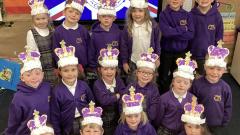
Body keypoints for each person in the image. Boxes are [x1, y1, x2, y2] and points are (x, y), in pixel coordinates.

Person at [50, 40, 95, 135]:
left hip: (85, 120)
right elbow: (55, 115)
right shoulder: (56, 91)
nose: (70, 74)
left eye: (73, 70)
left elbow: (92, 103)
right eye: (66, 71)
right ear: (60, 72)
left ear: (78, 70)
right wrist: (57, 132)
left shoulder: (84, 85)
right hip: (68, 125)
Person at [190, 40, 232, 135]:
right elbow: (192, 101)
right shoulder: (197, 84)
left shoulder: (226, 88)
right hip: (199, 122)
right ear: (205, 67)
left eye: (219, 69)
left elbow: (228, 107)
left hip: (217, 124)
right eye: (211, 68)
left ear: (224, 70)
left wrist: (224, 122)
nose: (215, 72)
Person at [5, 50, 51, 135]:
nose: (34, 77)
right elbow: (13, 122)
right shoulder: (18, 98)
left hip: (47, 131)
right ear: (22, 78)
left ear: (43, 75)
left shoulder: (47, 87)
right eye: (28, 75)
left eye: (37, 73)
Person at [155, 52, 197, 135]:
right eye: (178, 81)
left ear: (190, 85)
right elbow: (158, 117)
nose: (181, 85)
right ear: (173, 81)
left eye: (185, 83)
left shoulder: (192, 99)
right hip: (165, 130)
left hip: (183, 131)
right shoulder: (164, 98)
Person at [120, 0, 161, 84]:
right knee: (132, 83)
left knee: (149, 83)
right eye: (134, 11)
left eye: (140, 11)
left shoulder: (153, 26)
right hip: (133, 61)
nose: (137, 14)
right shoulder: (128, 27)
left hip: (150, 61)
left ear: (145, 12)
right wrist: (124, 62)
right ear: (130, 13)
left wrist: (157, 57)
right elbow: (123, 46)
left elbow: (157, 43)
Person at [158, 0, 194, 93]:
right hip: (166, 53)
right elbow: (166, 33)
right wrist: (182, 29)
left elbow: (190, 35)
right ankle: (163, 97)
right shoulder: (163, 14)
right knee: (164, 77)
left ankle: (175, 97)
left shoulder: (187, 15)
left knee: (178, 76)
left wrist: (172, 31)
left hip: (181, 53)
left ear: (182, 2)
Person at [123, 47, 160, 125]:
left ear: (153, 75)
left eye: (149, 73)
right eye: (143, 72)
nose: (145, 75)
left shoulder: (154, 89)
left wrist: (144, 119)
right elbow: (123, 104)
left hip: (147, 122)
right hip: (130, 120)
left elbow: (154, 107)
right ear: (137, 73)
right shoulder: (130, 87)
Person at [93, 46, 125, 135]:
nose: (109, 72)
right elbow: (104, 100)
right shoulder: (97, 84)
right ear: (100, 70)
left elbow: (124, 92)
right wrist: (117, 95)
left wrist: (117, 96)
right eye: (105, 69)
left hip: (117, 116)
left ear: (116, 70)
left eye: (112, 69)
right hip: (104, 118)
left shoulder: (118, 80)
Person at [25, 0, 57, 87]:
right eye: (37, 19)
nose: (41, 21)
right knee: (45, 88)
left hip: (54, 67)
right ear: (33, 20)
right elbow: (31, 53)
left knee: (56, 87)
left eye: (43, 18)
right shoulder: (31, 33)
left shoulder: (52, 31)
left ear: (48, 18)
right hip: (42, 68)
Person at [52, 0, 90, 73]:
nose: (73, 15)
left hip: (82, 69)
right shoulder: (57, 32)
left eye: (77, 13)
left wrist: (89, 65)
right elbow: (55, 50)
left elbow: (89, 48)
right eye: (70, 11)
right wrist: (59, 65)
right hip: (66, 69)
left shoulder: (83, 30)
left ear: (80, 16)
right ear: (64, 12)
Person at [189, 0, 223, 75]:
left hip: (209, 57)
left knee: (205, 80)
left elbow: (219, 38)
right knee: (190, 80)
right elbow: (186, 37)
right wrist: (189, 56)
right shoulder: (190, 15)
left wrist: (215, 56)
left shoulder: (217, 16)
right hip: (192, 55)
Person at [88, 0, 121, 71]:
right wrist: (94, 67)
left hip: (115, 68)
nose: (106, 18)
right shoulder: (93, 34)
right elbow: (91, 52)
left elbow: (122, 50)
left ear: (114, 18)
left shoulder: (119, 33)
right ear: (99, 17)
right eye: (103, 16)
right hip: (99, 68)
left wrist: (120, 65)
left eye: (109, 16)